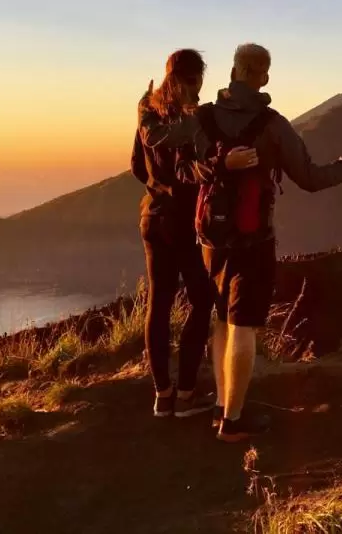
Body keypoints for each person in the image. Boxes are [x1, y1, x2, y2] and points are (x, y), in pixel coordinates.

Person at [195, 43, 342, 442]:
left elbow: (187, 167)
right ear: (264, 76)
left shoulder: (201, 118)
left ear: (234, 71)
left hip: (209, 238)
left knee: (221, 319)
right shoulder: (273, 126)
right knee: (244, 326)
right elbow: (309, 177)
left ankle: (222, 405)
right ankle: (234, 421)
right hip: (253, 240)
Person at [130, 49, 225, 419]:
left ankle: (162, 395)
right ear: (195, 77)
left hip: (152, 219)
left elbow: (137, 165)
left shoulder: (148, 111)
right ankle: (186, 393)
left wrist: (158, 186)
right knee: (201, 300)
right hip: (183, 222)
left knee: (160, 303)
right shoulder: (193, 118)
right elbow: (198, 167)